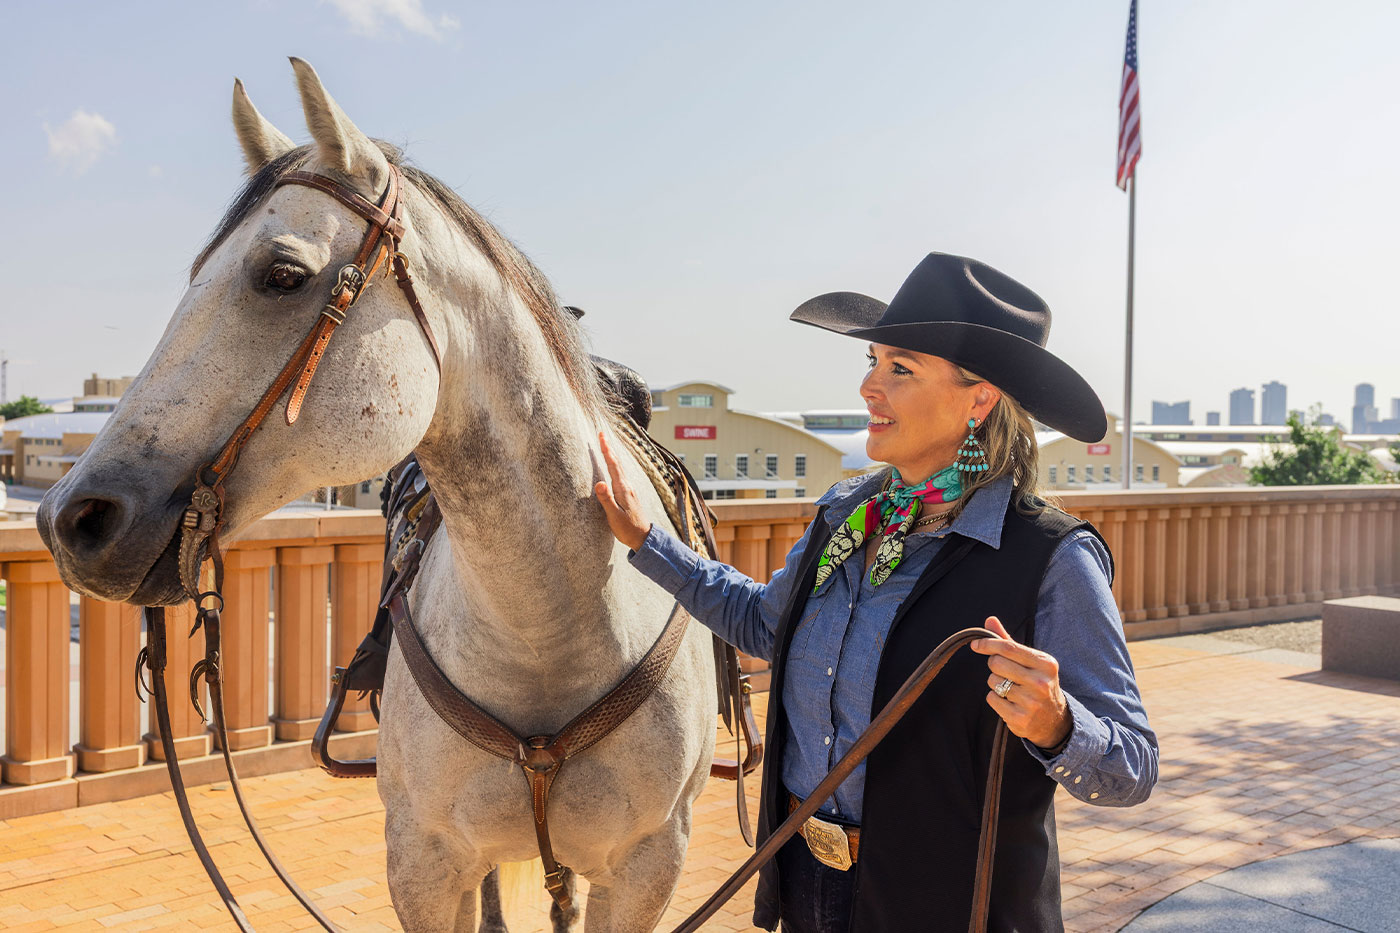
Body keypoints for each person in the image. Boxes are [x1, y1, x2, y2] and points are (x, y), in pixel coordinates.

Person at [594, 253, 1158, 932]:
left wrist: (1058, 722)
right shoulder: (845, 516)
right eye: (872, 361)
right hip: (807, 882)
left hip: (947, 908)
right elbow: (763, 623)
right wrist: (645, 538)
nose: (869, 386)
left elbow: (1133, 765)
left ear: (978, 400)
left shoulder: (1050, 558)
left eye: (901, 369)